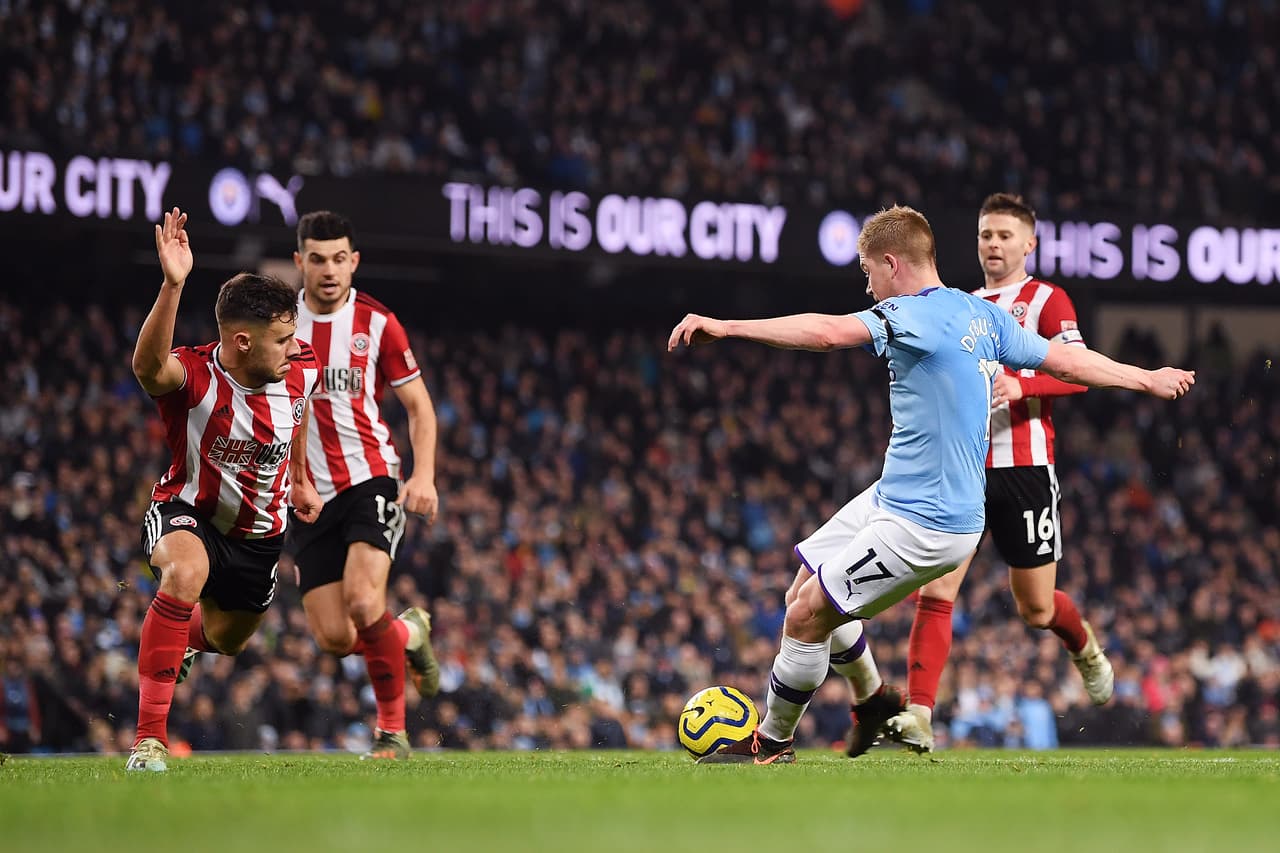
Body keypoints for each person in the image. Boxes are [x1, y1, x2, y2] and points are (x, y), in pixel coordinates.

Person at [666, 205, 1194, 764]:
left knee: (806, 615)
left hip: (929, 522)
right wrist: (1146, 378)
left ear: (892, 264)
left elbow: (825, 333)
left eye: (869, 271)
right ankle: (872, 701)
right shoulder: (978, 314)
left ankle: (771, 744)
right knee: (805, 588)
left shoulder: (908, 315)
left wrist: (727, 327)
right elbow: (1064, 362)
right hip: (894, 494)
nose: (867, 286)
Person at [887, 192, 1105, 754]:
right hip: (964, 470)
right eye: (986, 234)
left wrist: (1023, 384)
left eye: (1005, 235)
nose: (993, 244)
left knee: (1036, 609)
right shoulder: (962, 304)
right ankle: (919, 713)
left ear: (1029, 244)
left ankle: (1083, 647)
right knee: (937, 588)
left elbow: (1078, 373)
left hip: (1028, 468)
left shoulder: (1048, 300)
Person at [128, 208, 324, 772]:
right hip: (188, 512)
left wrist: (302, 479)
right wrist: (173, 284)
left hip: (260, 535)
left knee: (228, 639)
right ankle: (148, 742)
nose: (294, 349)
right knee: (184, 575)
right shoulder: (194, 377)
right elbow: (146, 368)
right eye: (282, 340)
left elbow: (300, 409)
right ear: (241, 342)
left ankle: (180, 639)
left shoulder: (300, 366)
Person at [284, 210, 441, 760]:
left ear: (354, 261)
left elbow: (419, 408)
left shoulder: (378, 323)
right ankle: (408, 635)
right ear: (300, 262)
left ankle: (391, 732)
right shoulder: (279, 326)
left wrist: (422, 475)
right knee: (334, 637)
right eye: (318, 259)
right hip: (305, 495)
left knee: (360, 597)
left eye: (340, 259)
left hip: (371, 476)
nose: (330, 270)